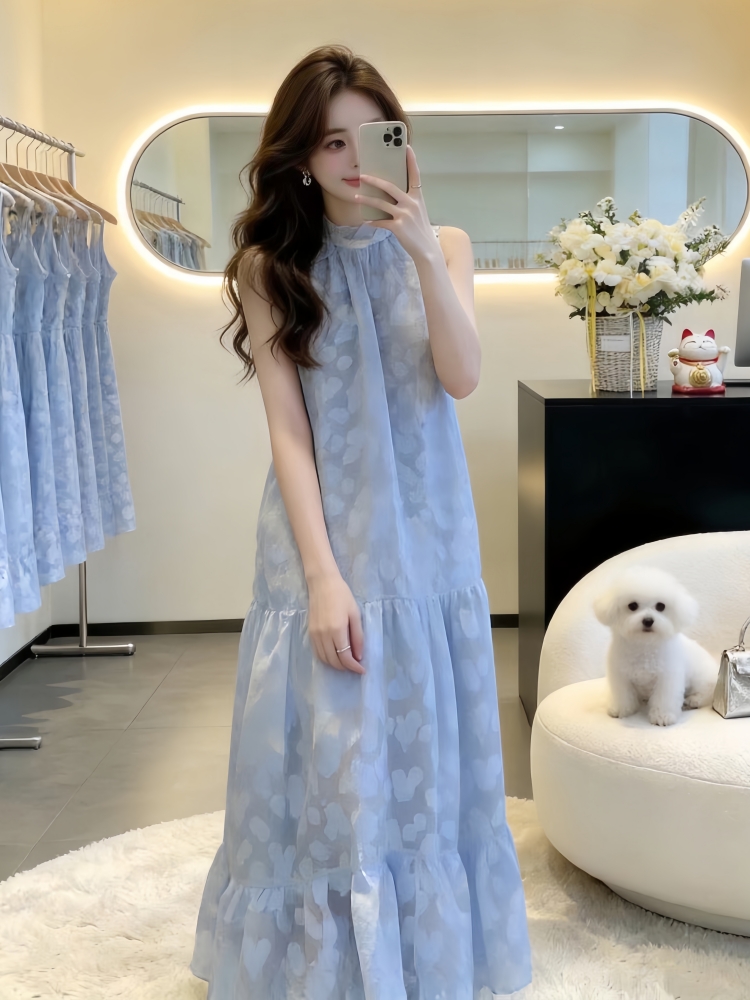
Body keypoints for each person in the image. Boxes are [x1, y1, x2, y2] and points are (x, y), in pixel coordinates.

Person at [190, 43, 532, 1000]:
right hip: (323, 539)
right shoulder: (270, 268)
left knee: (419, 753)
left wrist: (419, 249)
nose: (351, 161)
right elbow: (287, 432)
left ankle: (423, 957)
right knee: (336, 756)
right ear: (301, 157)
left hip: (429, 540)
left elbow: (462, 376)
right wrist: (323, 576)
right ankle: (327, 964)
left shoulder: (446, 245)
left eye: (370, 136)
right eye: (330, 142)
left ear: (399, 140)